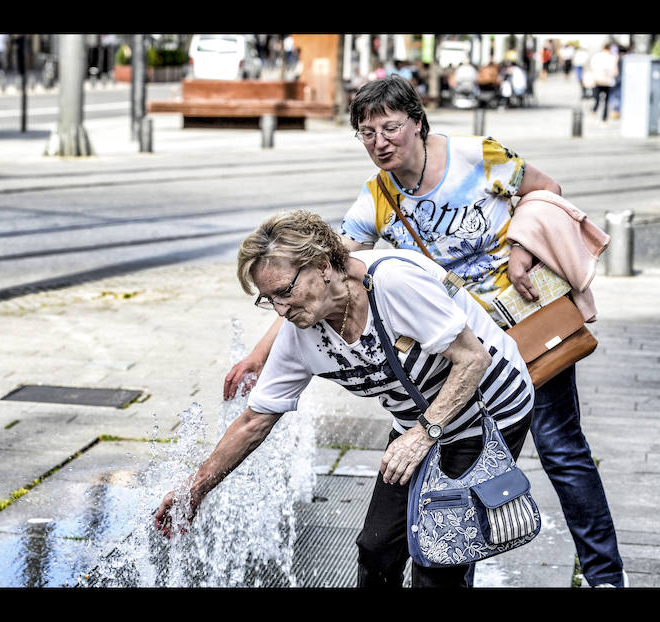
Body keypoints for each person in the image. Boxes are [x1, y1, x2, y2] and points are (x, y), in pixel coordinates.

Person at [224, 75, 628, 589]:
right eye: (366, 133)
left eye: (390, 127)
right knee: (463, 485)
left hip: (522, 325)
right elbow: (314, 275)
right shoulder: (376, 199)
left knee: (563, 452)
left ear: (417, 122)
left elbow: (545, 190)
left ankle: (605, 576)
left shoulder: (476, 156)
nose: (380, 142)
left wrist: (523, 247)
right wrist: (261, 356)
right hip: (452, 345)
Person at [157, 210, 535, 588]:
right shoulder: (298, 333)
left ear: (323, 265)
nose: (280, 310)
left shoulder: (393, 282)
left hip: (487, 410)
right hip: (416, 422)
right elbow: (254, 421)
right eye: (268, 299)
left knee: (438, 558)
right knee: (376, 548)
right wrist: (195, 490)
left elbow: (473, 359)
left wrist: (423, 435)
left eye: (285, 292)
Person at [590, 43, 619, 124]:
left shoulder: (596, 56)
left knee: (597, 100)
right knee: (606, 102)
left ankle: (592, 115)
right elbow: (615, 72)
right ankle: (604, 120)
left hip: (597, 81)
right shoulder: (612, 58)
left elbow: (592, 68)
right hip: (608, 82)